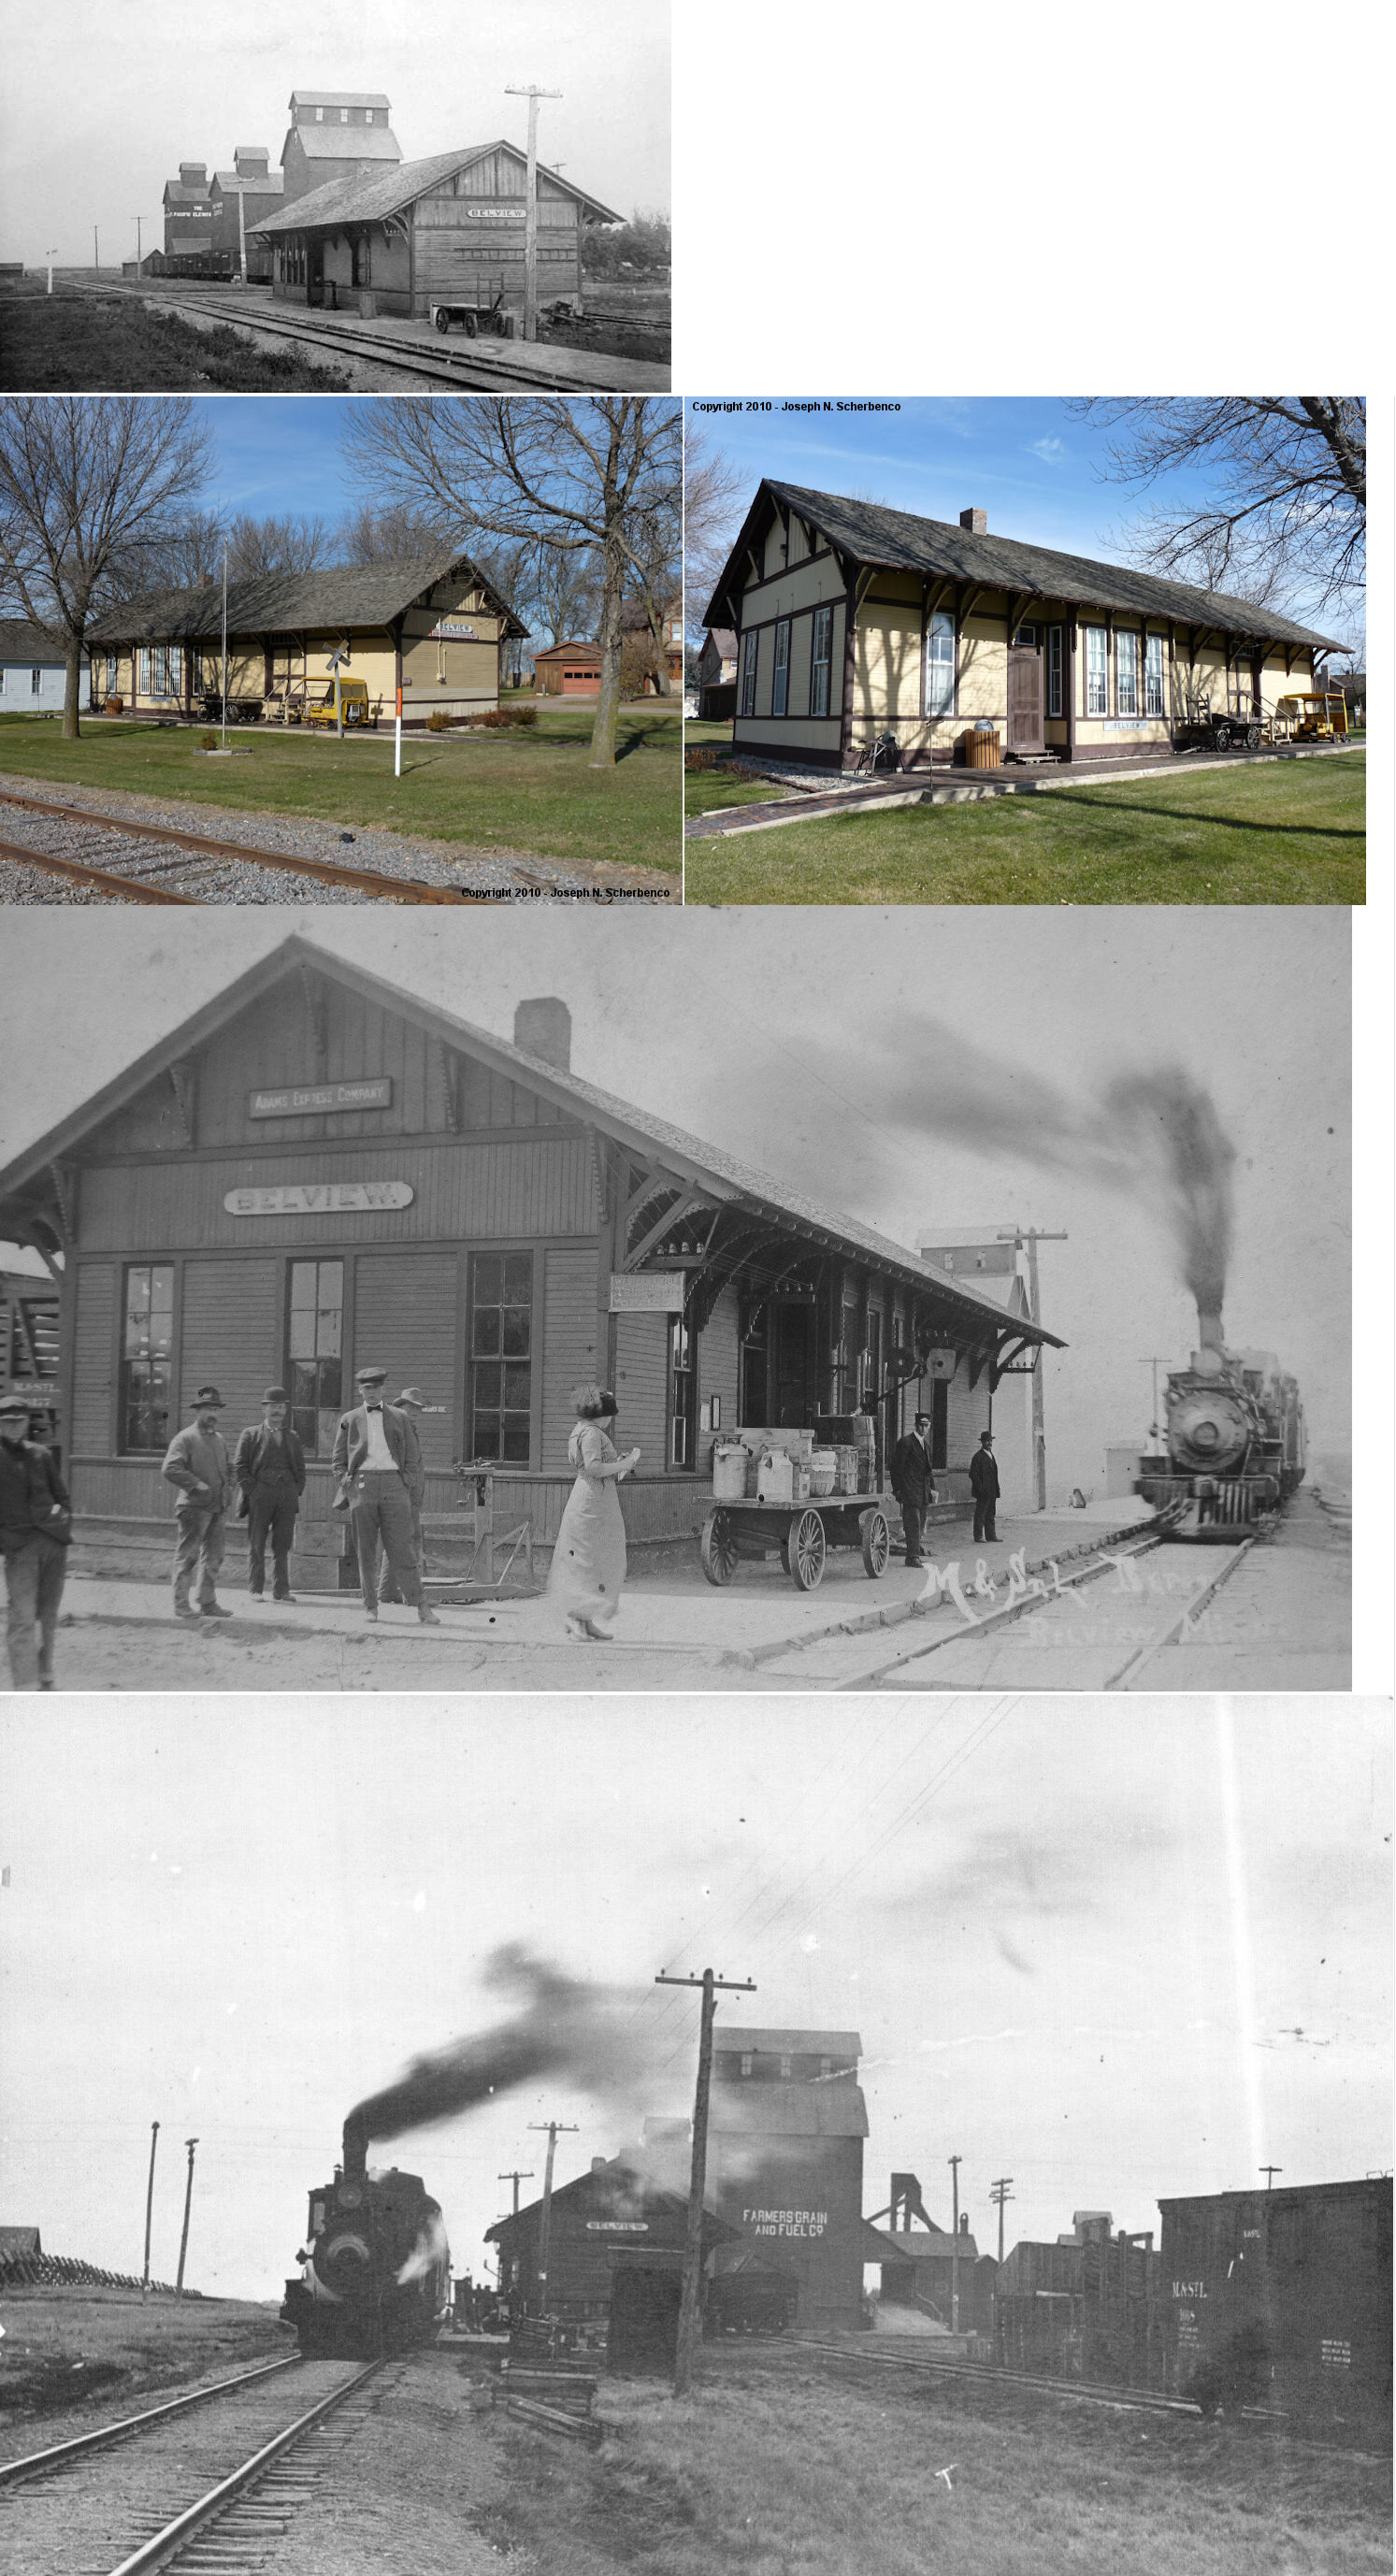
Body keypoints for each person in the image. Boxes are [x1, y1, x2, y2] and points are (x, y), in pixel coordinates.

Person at [332, 1365, 439, 1625]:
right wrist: (344, 1479)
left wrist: (406, 1482)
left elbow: (412, 1456)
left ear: (383, 1389)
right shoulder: (350, 1418)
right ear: (360, 1390)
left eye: (376, 1388)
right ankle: (371, 1605)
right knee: (365, 1550)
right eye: (367, 1388)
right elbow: (338, 1458)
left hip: (394, 1485)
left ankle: (421, 1606)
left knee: (403, 1548)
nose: (372, 1393)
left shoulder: (400, 1416)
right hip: (362, 1487)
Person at [547, 1384, 640, 1640]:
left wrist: (617, 1463)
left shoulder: (584, 1431)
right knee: (585, 1559)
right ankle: (577, 1621)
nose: (610, 1420)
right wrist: (626, 1463)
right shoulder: (590, 1433)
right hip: (591, 1501)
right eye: (610, 1415)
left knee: (595, 1557)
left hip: (597, 1497)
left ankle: (587, 1620)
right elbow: (594, 1468)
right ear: (601, 1415)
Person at [0, 1393, 71, 1690]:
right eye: (8, 1421)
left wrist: (63, 1524)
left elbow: (62, 1496)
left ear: (28, 1421)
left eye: (20, 1420)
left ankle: (45, 1673)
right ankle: (25, 1686)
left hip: (53, 1544)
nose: (15, 1426)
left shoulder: (41, 1454)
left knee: (48, 1615)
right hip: (19, 1547)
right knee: (22, 1618)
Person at [162, 1384, 236, 1620]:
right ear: (198, 1411)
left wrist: (230, 1485)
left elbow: (230, 1466)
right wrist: (196, 1484)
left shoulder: (220, 1440)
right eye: (207, 1408)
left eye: (215, 1408)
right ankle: (181, 1605)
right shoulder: (185, 1438)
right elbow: (170, 1468)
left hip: (217, 1507)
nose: (212, 1413)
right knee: (188, 1557)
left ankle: (207, 1602)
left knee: (214, 1557)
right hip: (193, 1509)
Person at [234, 1387, 307, 1604]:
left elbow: (301, 1469)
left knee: (282, 1545)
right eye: (273, 1407)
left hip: (287, 1496)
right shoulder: (250, 1434)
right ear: (265, 1409)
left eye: (281, 1407)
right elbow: (239, 1467)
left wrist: (296, 1490)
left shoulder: (292, 1437)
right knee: (257, 1543)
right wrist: (253, 1492)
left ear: (286, 1410)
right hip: (260, 1495)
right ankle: (256, 1589)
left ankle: (281, 1591)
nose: (277, 1411)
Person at [380, 1387, 428, 1606]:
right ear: (400, 1408)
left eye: (418, 1408)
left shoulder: (409, 1431)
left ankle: (387, 1592)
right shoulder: (397, 1432)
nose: (416, 1411)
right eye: (411, 1407)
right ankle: (411, 1596)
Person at [889, 1410, 937, 1566]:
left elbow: (928, 1471)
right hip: (909, 1491)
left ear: (929, 1427)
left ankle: (915, 1553)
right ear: (916, 1425)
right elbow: (896, 1469)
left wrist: (933, 1489)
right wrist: (898, 1490)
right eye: (921, 1425)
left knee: (921, 1524)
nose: (923, 1429)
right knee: (913, 1523)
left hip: (923, 1492)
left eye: (926, 1426)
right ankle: (912, 1557)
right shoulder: (906, 1442)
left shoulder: (926, 1445)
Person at [969, 1430, 1000, 1544]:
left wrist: (996, 1489)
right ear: (982, 1442)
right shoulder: (978, 1457)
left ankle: (991, 1535)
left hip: (992, 1491)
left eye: (990, 1440)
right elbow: (973, 1474)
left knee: (991, 1513)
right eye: (987, 1441)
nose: (989, 1443)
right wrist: (981, 1489)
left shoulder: (991, 1455)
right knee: (980, 1514)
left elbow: (994, 1474)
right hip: (983, 1492)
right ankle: (978, 1536)